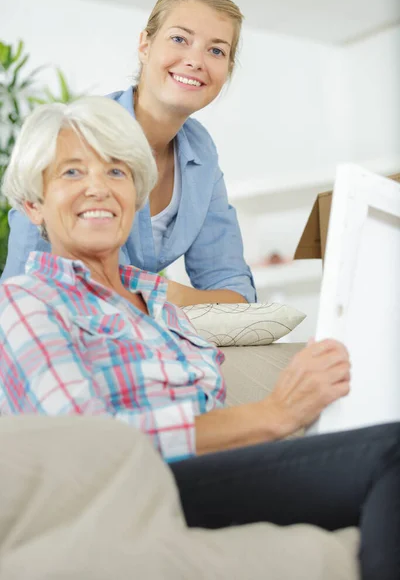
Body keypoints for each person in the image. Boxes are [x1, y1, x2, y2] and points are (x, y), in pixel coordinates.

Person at [0, 98, 399, 580]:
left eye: (116, 172)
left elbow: (215, 416)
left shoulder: (162, 309)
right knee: (390, 453)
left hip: (220, 472)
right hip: (132, 491)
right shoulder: (25, 300)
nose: (97, 188)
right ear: (33, 204)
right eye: (70, 172)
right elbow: (89, 445)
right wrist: (271, 415)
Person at [0, 0, 256, 306]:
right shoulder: (74, 137)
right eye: (179, 39)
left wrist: (160, 296)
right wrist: (161, 297)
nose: (196, 60)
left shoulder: (201, 154)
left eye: (217, 50)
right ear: (145, 45)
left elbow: (236, 294)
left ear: (228, 69)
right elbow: (22, 293)